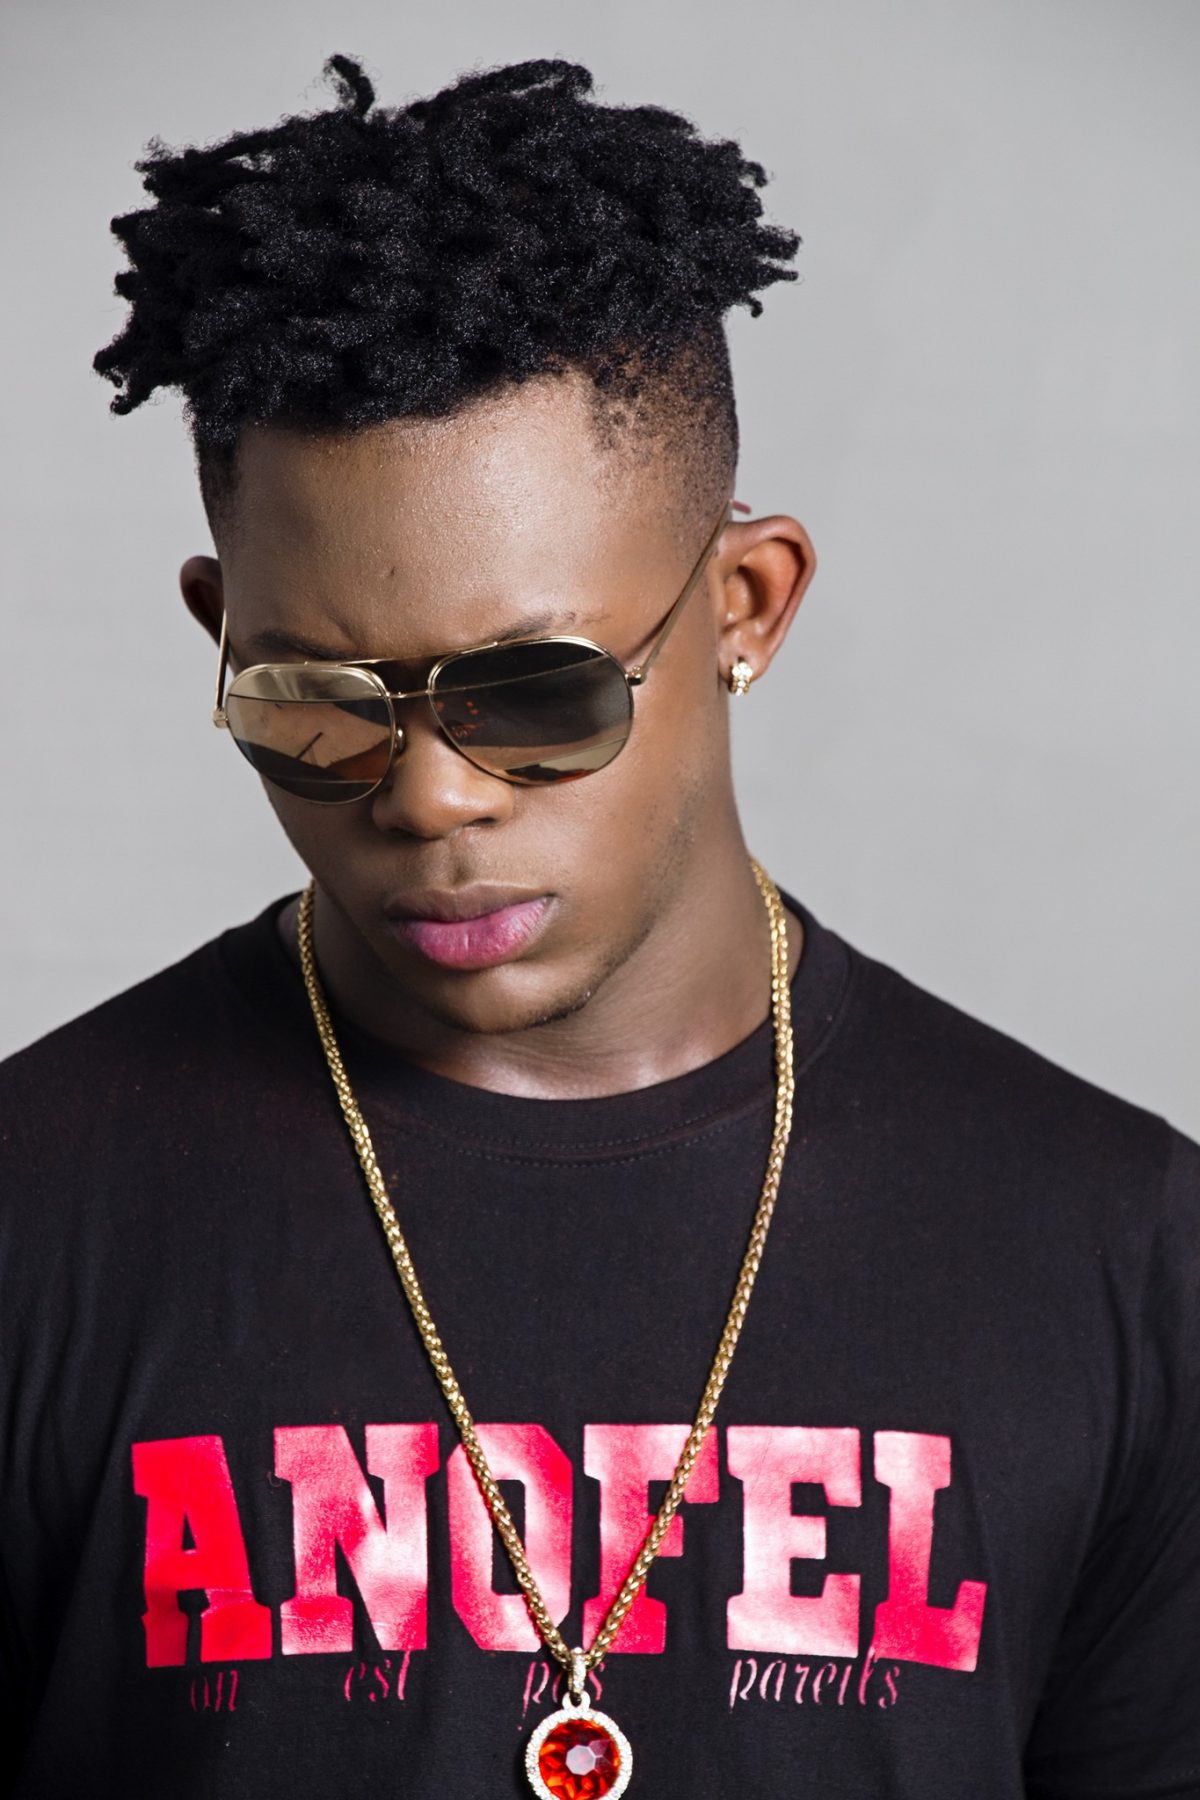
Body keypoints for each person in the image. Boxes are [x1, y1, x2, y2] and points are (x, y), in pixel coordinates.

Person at [0, 53, 1196, 1800]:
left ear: (744, 607)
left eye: (533, 694)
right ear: (222, 638)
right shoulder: (34, 1214)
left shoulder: (1117, 1245)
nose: (429, 800)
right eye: (317, 703)